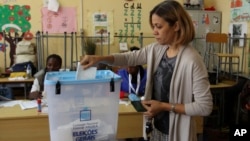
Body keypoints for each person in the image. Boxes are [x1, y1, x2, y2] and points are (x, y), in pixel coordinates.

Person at [80, 1, 213, 141]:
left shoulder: (192, 60)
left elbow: (204, 107)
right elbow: (128, 58)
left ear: (176, 26)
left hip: (176, 134)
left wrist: (163, 106)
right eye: (153, 26)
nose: (154, 31)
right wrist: (99, 58)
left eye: (159, 26)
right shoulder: (157, 49)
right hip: (155, 129)